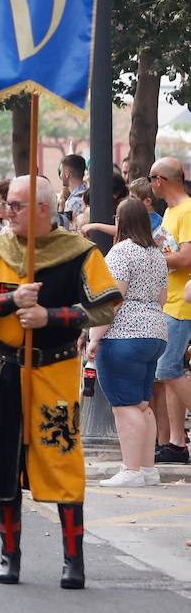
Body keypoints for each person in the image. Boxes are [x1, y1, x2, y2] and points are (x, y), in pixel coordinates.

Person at [0, 175, 120, 590]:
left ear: (43, 210)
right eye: (5, 204)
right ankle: (9, 556)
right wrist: (9, 301)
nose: (5, 212)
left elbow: (106, 307)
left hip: (56, 372)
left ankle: (73, 561)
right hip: (6, 372)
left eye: (15, 205)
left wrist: (53, 317)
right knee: (3, 467)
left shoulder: (79, 252)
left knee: (63, 465)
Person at [89, 198, 169, 487]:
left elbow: (113, 300)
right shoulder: (157, 254)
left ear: (121, 221)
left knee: (124, 406)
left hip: (124, 335)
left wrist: (93, 338)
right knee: (142, 404)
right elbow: (162, 297)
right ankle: (148, 468)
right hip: (155, 332)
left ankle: (131, 469)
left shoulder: (120, 252)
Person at [149, 157, 191, 465]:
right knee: (171, 371)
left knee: (167, 370)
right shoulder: (171, 212)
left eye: (152, 178)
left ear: (161, 179)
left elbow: (185, 258)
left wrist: (151, 260)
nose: (151, 184)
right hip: (172, 300)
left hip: (182, 302)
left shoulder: (187, 210)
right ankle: (177, 443)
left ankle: (178, 441)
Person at [60, 154, 88, 228]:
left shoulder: (73, 202)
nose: (60, 175)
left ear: (67, 173)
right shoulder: (87, 194)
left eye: (61, 171)